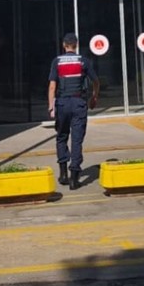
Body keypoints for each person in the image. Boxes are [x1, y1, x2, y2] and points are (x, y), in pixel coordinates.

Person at [47, 32, 99, 190]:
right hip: (78, 103)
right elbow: (95, 81)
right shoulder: (83, 61)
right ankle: (74, 179)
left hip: (62, 103)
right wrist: (94, 97)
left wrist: (51, 105)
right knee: (77, 140)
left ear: (64, 45)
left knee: (61, 137)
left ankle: (63, 174)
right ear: (76, 45)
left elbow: (52, 86)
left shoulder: (57, 61)